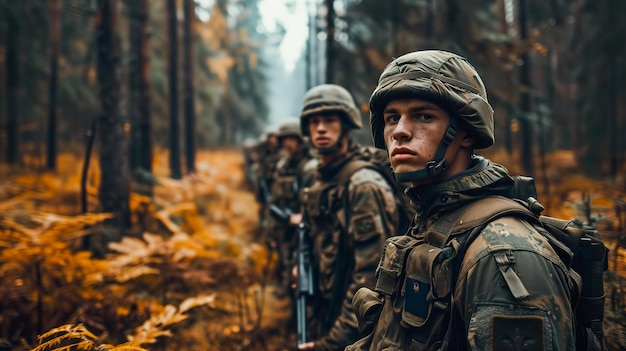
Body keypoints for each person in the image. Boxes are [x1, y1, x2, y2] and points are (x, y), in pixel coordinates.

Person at [346, 50, 575, 350]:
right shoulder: (435, 219)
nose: (400, 131)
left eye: (423, 116)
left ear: (466, 133)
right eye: (392, 118)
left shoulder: (502, 253)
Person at [293, 84, 400, 351]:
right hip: (325, 309)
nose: (320, 128)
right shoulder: (317, 177)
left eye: (329, 120)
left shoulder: (363, 185)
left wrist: (332, 343)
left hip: (355, 330)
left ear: (346, 125)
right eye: (314, 121)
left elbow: (370, 280)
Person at [265, 118, 317, 287]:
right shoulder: (283, 166)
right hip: (285, 227)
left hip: (306, 228)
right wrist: (272, 231)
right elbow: (275, 200)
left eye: (291, 139)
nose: (288, 144)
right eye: (284, 140)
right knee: (288, 270)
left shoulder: (310, 166)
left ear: (300, 140)